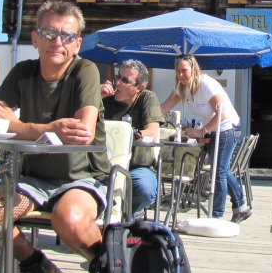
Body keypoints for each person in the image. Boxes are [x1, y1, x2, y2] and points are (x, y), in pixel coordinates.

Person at [0, 0, 110, 273]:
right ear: (34, 38)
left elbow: (82, 133)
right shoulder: (23, 72)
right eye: (49, 33)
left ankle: (110, 272)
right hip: (32, 178)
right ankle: (38, 268)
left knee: (68, 219)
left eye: (67, 36)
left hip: (81, 176)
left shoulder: (85, 71)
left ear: (77, 43)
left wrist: (16, 125)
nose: (57, 42)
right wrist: (43, 129)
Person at [160, 55, 250, 223]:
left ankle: (216, 216)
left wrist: (202, 131)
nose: (180, 75)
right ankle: (241, 207)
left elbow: (222, 114)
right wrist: (150, 119)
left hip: (227, 128)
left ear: (194, 69)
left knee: (218, 172)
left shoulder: (206, 84)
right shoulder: (182, 87)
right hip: (213, 130)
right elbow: (165, 107)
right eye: (178, 71)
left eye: (184, 70)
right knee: (222, 170)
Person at [100, 59, 163, 216]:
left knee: (144, 189)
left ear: (139, 87)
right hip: (102, 165)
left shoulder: (147, 98)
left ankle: (123, 217)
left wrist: (130, 133)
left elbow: (152, 132)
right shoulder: (104, 99)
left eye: (125, 80)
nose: (117, 83)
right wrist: (94, 97)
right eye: (117, 77)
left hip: (136, 166)